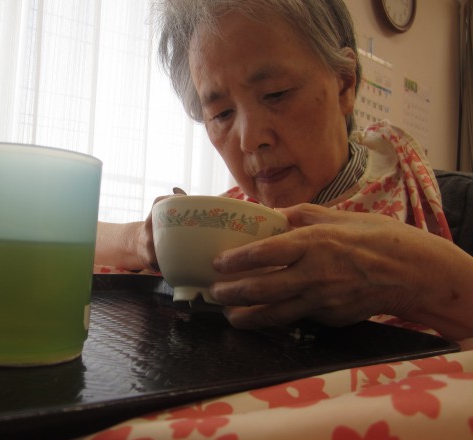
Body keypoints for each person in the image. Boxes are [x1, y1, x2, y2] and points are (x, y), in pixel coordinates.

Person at [95, 0, 473, 341]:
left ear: (345, 83)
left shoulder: (451, 206)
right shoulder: (222, 229)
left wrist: (415, 278)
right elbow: (75, 240)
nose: (250, 139)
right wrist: (142, 240)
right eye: (221, 114)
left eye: (276, 94)